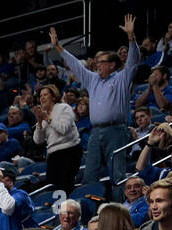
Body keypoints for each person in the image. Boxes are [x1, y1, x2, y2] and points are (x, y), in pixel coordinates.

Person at [49, 15, 139, 201]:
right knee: (89, 173)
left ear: (112, 65)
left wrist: (131, 38)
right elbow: (75, 65)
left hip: (116, 130)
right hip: (96, 132)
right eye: (97, 63)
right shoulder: (93, 79)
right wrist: (59, 48)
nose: (97, 65)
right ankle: (88, 208)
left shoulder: (122, 78)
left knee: (117, 173)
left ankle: (120, 207)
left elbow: (133, 60)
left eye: (102, 63)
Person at [31, 84, 82, 196]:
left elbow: (63, 129)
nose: (42, 98)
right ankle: (56, 211)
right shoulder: (43, 115)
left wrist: (48, 118)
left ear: (53, 97)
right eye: (40, 96)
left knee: (64, 186)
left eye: (45, 95)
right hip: (53, 155)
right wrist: (39, 122)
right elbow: (38, 140)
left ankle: (67, 209)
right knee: (52, 187)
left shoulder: (64, 108)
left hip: (70, 151)